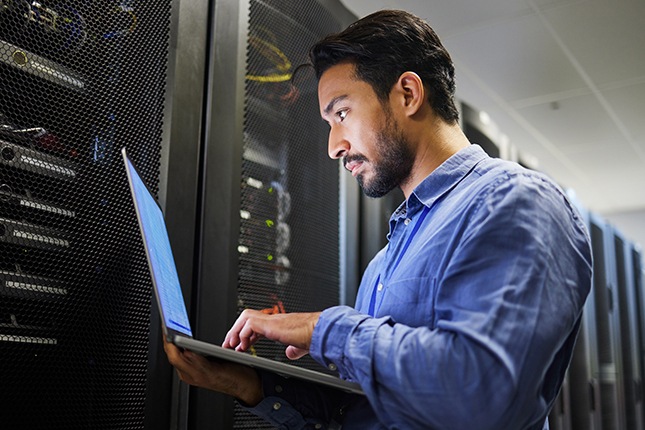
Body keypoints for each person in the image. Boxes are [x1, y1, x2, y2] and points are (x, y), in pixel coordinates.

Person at [164, 9, 592, 430]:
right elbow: (369, 412)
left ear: (407, 93)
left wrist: (321, 328)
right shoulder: (383, 265)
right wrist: (249, 385)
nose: (334, 146)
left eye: (342, 113)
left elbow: (482, 394)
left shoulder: (515, 202)